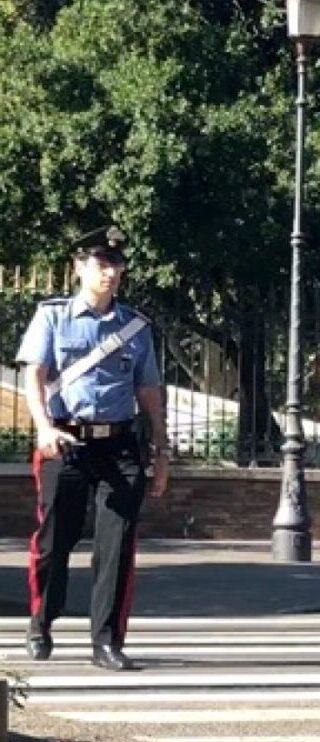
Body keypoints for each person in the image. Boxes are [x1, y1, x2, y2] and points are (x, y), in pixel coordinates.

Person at [16, 225, 170, 671]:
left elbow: (150, 395)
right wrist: (43, 427)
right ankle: (41, 621)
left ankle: (105, 639)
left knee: (117, 544)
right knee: (53, 541)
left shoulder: (135, 328)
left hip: (118, 444)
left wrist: (161, 453)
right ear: (80, 267)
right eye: (101, 263)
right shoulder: (53, 316)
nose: (110, 273)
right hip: (64, 440)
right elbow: (34, 377)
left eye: (117, 264)